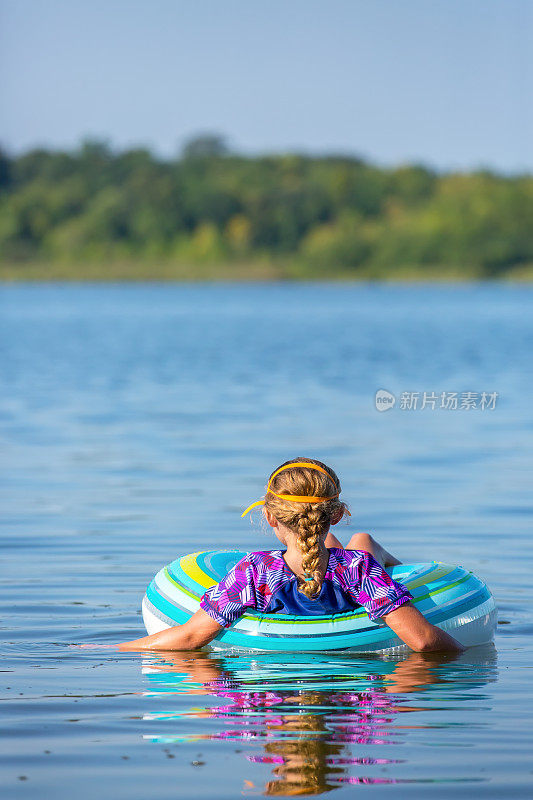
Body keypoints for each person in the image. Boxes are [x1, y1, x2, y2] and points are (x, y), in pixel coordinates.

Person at [119, 458, 464, 653]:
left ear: (269, 517)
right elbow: (424, 641)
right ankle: (364, 542)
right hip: (345, 566)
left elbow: (191, 636)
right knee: (355, 546)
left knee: (349, 546)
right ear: (337, 513)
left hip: (323, 559)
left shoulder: (253, 573)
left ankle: (359, 540)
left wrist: (110, 651)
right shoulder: (359, 570)